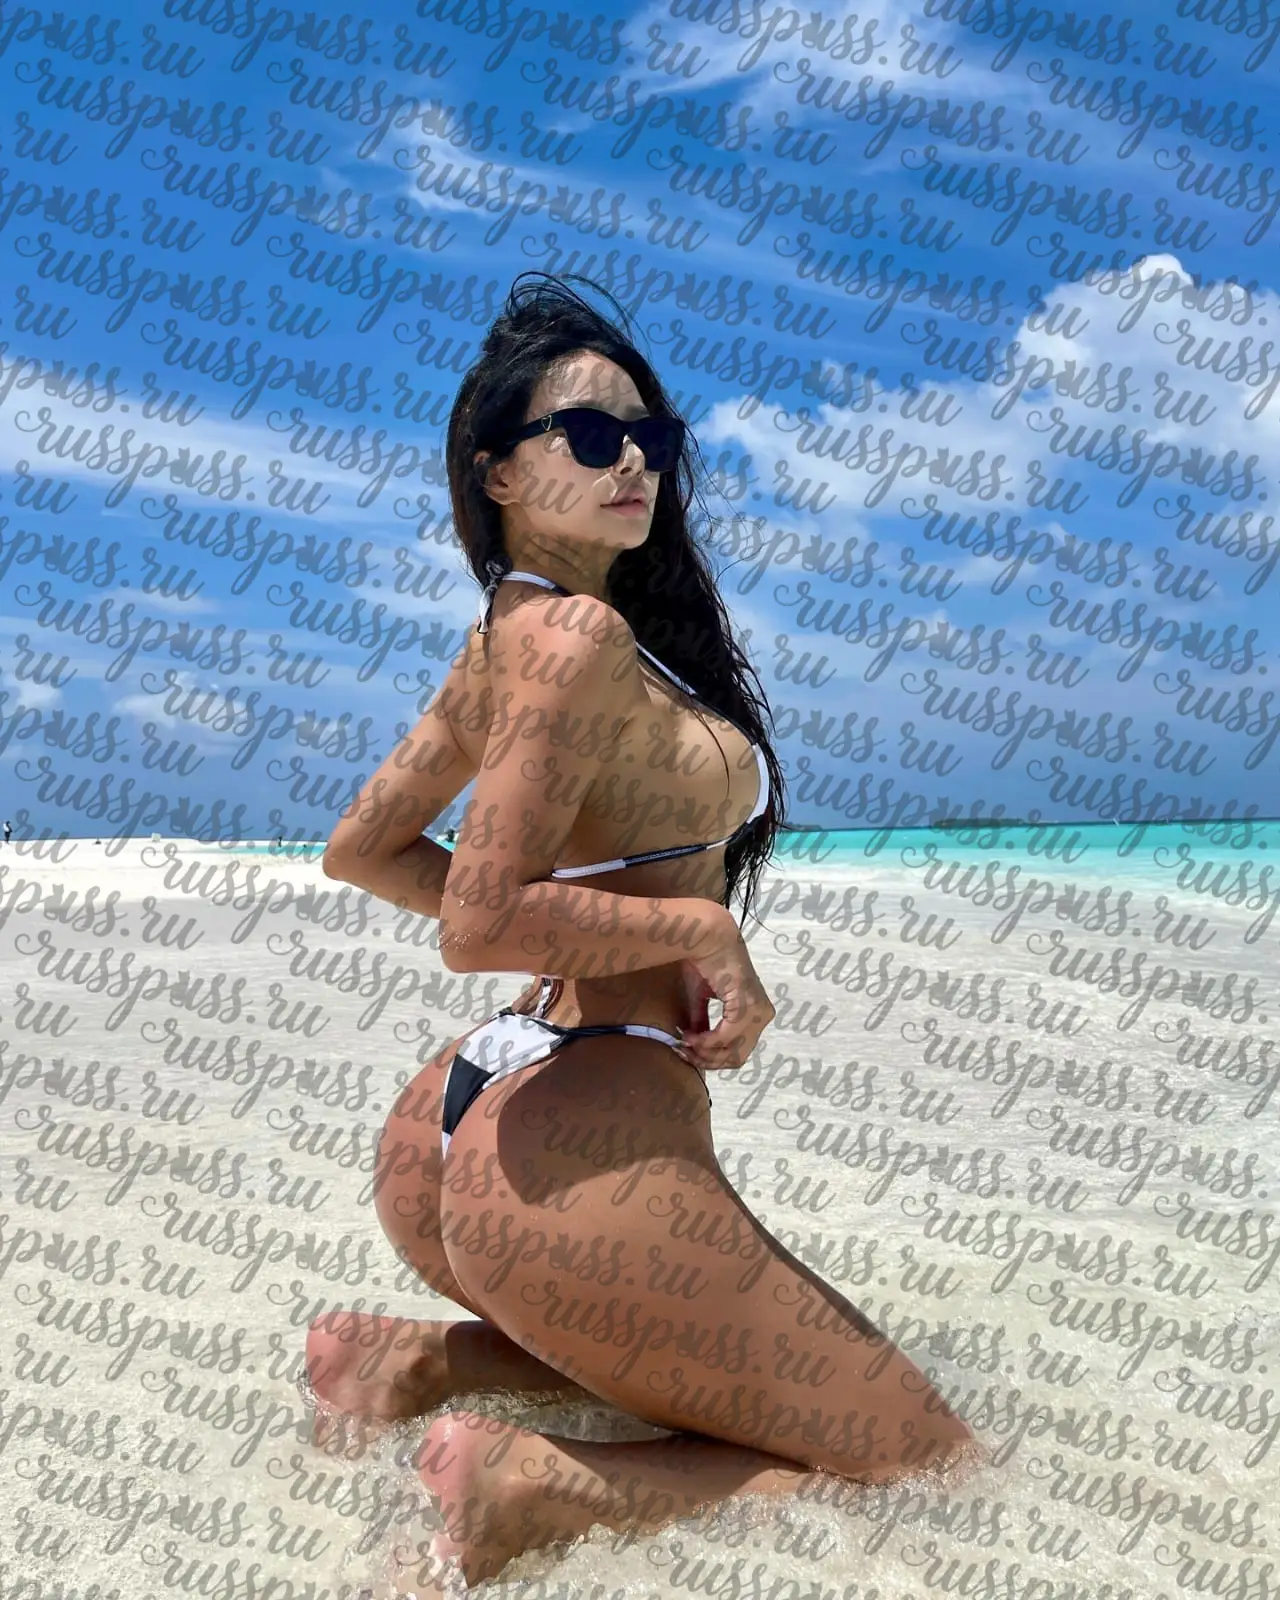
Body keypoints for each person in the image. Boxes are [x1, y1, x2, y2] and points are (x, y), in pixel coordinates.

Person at [315, 274, 981, 1589]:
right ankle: (535, 1489)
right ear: (498, 472)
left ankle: (417, 1363)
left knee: (693, 1369)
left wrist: (601, 943)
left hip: (466, 1108)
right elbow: (478, 918)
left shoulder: (506, 638)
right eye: (588, 434)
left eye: (651, 437)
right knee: (929, 1463)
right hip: (580, 1143)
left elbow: (362, 851)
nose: (633, 463)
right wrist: (699, 930)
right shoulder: (575, 639)